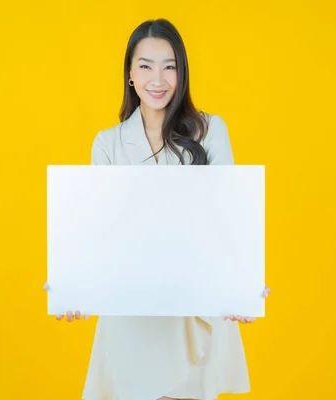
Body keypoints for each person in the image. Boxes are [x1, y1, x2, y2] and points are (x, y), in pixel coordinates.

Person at [44, 18, 270, 400]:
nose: (158, 79)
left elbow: (228, 219)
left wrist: (243, 284)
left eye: (169, 66)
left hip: (193, 307)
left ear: (181, 73)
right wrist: (73, 284)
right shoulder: (107, 143)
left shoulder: (208, 130)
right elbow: (100, 233)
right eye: (145, 66)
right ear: (130, 74)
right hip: (133, 318)